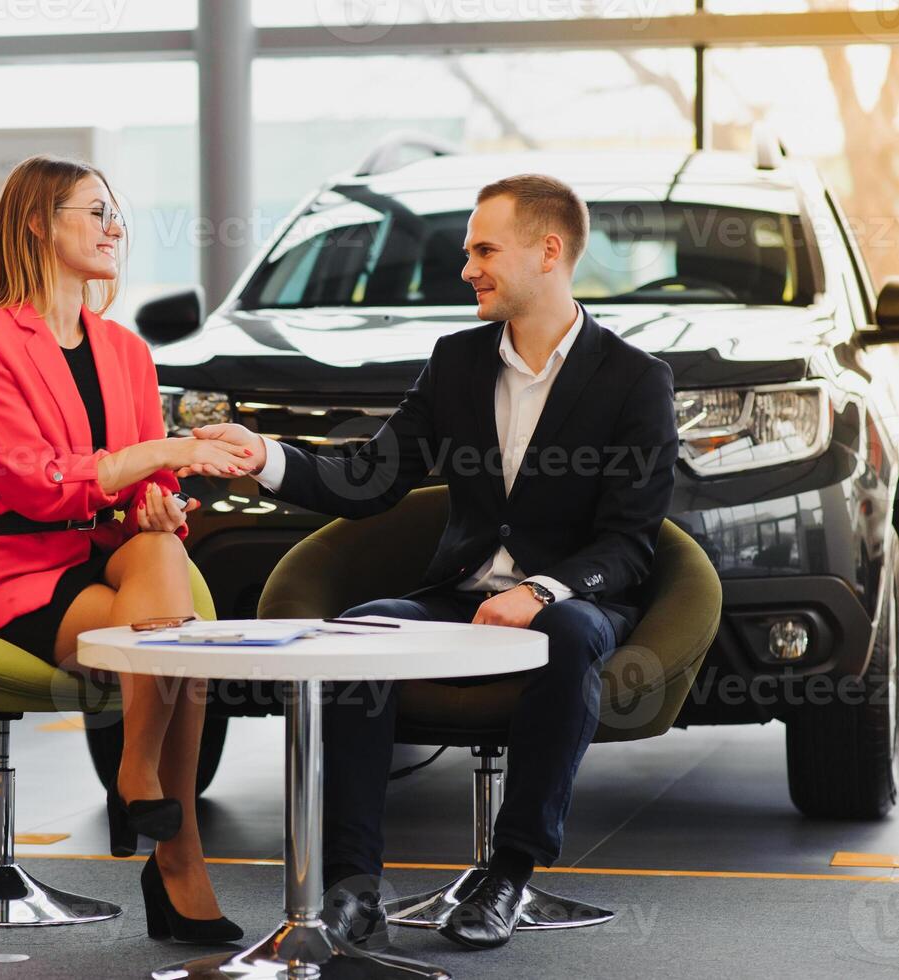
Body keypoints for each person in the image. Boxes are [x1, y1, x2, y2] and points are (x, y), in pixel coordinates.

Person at [187, 174, 678, 950]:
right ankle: (352, 886)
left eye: (484, 249)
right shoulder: (455, 362)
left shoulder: (635, 381)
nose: (467, 268)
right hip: (462, 593)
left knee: (570, 633)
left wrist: (543, 591)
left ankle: (509, 874)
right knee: (360, 633)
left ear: (548, 252)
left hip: (575, 599)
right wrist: (264, 457)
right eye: (467, 252)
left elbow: (627, 543)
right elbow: (371, 476)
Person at [0, 155, 246, 944]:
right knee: (181, 647)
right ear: (38, 223)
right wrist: (156, 457)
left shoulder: (126, 349)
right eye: (95, 211)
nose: (116, 228)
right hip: (24, 572)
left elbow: (143, 484)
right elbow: (37, 485)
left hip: (117, 556)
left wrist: (159, 498)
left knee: (163, 557)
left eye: (116, 214)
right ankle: (178, 861)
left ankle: (137, 771)